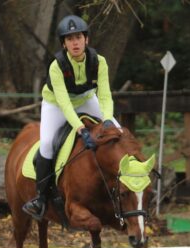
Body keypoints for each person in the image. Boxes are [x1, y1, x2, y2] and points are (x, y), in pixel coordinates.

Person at [22, 15, 122, 220]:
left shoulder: (99, 61)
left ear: (86, 39)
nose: (75, 42)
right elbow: (65, 105)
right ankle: (40, 199)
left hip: (86, 99)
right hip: (56, 104)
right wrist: (81, 129)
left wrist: (109, 119)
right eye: (69, 39)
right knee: (48, 144)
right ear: (64, 44)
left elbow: (104, 95)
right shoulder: (56, 66)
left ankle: (130, 187)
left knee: (118, 133)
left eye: (78, 37)